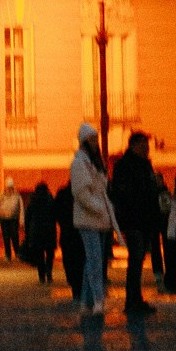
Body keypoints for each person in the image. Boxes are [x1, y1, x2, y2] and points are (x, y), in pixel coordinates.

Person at [109, 133, 168, 322]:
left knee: (138, 259)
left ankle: (136, 298)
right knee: (135, 260)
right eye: (144, 144)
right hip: (133, 219)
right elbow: (122, 193)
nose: (147, 148)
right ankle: (131, 300)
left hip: (145, 219)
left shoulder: (144, 164)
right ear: (134, 145)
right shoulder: (125, 165)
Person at [68, 123, 115, 318]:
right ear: (85, 141)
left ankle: (86, 302)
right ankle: (97, 299)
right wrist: (100, 208)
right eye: (93, 139)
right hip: (89, 219)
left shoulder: (92, 162)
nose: (96, 143)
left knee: (93, 260)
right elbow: (82, 194)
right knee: (95, 260)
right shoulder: (79, 164)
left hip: (98, 218)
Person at [22, 179, 58, 285]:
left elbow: (27, 217)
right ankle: (49, 273)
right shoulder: (50, 199)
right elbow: (55, 214)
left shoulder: (32, 200)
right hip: (49, 231)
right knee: (50, 254)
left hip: (36, 231)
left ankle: (41, 276)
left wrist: (27, 231)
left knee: (39, 256)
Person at [0, 179, 23, 261]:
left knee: (14, 236)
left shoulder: (17, 196)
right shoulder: (2, 195)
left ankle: (17, 253)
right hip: (4, 219)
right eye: (8, 187)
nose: (9, 189)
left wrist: (21, 220)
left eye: (10, 187)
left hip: (13, 219)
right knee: (6, 237)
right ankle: (8, 255)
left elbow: (21, 208)